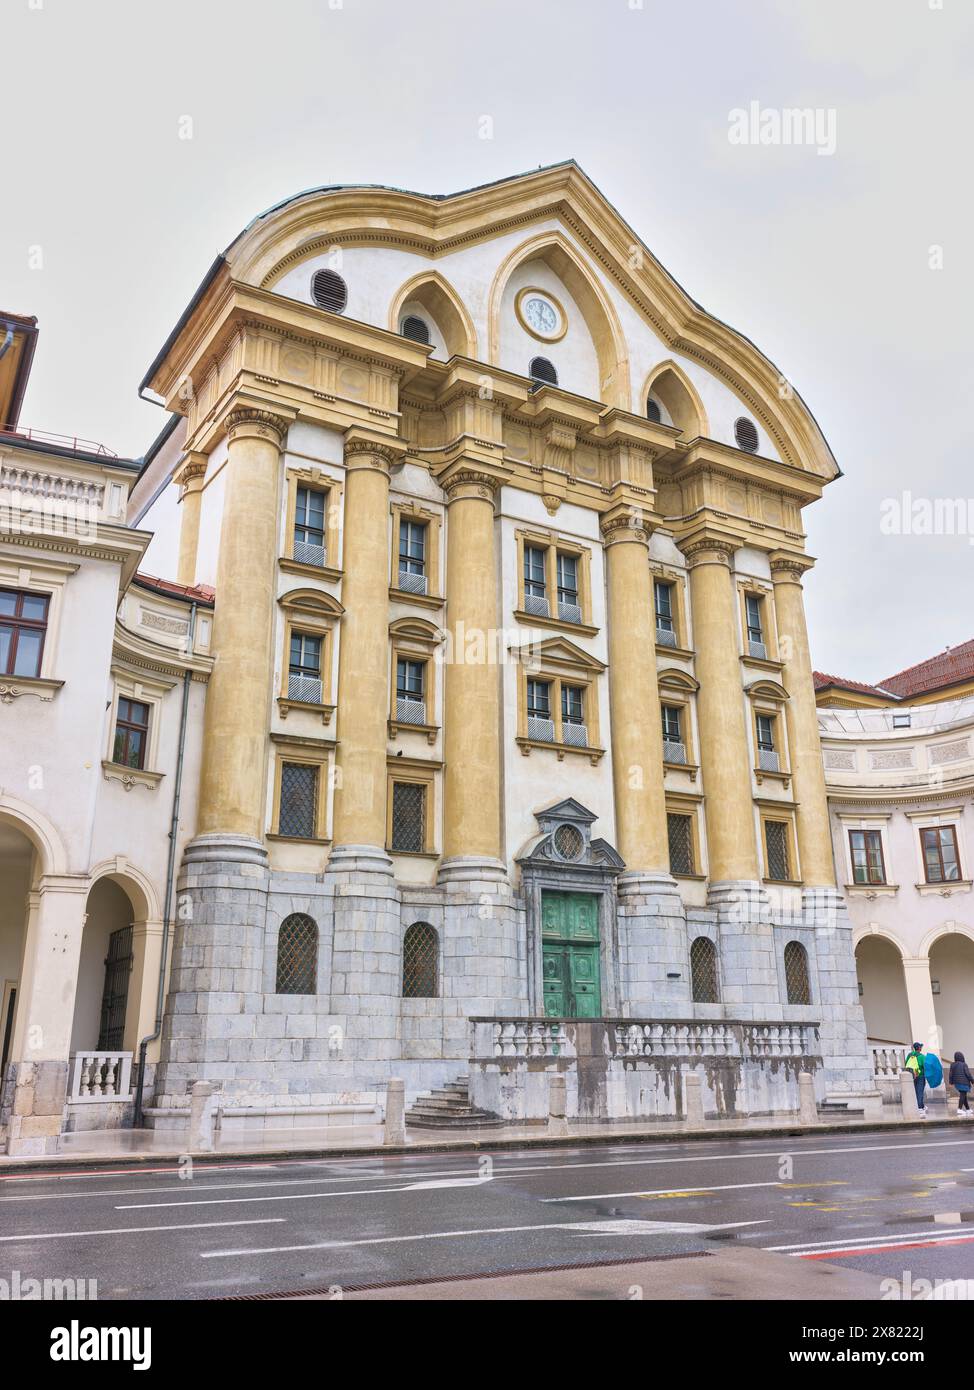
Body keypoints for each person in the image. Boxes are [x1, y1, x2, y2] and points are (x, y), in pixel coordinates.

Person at [949, 1052, 973, 1117]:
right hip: (964, 1082)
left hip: (957, 1083)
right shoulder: (964, 1064)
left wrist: (950, 1082)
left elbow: (950, 1074)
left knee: (963, 1095)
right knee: (963, 1095)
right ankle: (959, 1109)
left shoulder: (952, 1064)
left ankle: (968, 1109)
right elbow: (968, 1074)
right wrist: (972, 1081)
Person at [905, 1041, 926, 1115]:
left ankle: (922, 1106)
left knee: (916, 1091)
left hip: (912, 1076)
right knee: (920, 1091)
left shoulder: (910, 1055)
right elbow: (925, 1066)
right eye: (921, 1047)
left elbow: (906, 1064)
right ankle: (919, 1108)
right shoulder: (922, 1056)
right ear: (919, 1048)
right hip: (920, 1076)